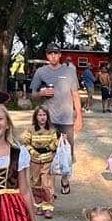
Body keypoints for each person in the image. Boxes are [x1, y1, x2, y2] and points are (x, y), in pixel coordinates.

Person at [30, 42, 83, 195]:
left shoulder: (69, 71)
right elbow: (33, 94)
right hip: (48, 120)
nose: (53, 56)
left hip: (66, 119)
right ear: (47, 55)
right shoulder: (40, 72)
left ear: (60, 55)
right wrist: (41, 93)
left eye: (55, 53)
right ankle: (49, 187)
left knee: (67, 152)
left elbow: (75, 95)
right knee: (48, 153)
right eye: (50, 53)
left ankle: (65, 180)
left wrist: (79, 116)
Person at [22, 105, 58, 219]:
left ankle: (48, 207)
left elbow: (55, 142)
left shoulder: (51, 130)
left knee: (46, 184)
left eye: (44, 115)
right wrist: (32, 151)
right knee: (35, 183)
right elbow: (26, 143)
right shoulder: (30, 129)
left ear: (47, 117)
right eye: (40, 115)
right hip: (35, 160)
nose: (42, 117)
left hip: (47, 160)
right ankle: (39, 205)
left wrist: (49, 148)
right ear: (36, 117)